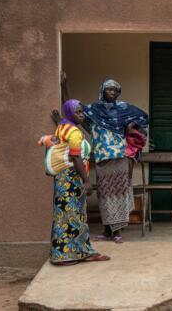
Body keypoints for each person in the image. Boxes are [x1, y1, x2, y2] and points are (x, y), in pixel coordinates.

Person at [39, 99, 109, 265]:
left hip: (62, 178)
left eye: (82, 111)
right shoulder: (74, 132)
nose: (82, 114)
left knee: (63, 215)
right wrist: (86, 181)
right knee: (74, 215)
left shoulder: (63, 126)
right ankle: (74, 254)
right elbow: (76, 157)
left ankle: (64, 254)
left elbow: (62, 134)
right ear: (71, 114)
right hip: (72, 178)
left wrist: (59, 120)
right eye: (78, 112)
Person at [84, 79, 149, 243]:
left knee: (118, 194)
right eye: (109, 89)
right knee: (105, 195)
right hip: (102, 158)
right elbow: (74, 111)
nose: (112, 92)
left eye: (115, 90)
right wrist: (63, 89)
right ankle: (107, 231)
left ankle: (118, 232)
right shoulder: (94, 110)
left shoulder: (124, 109)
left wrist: (131, 125)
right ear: (102, 91)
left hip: (120, 157)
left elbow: (144, 118)